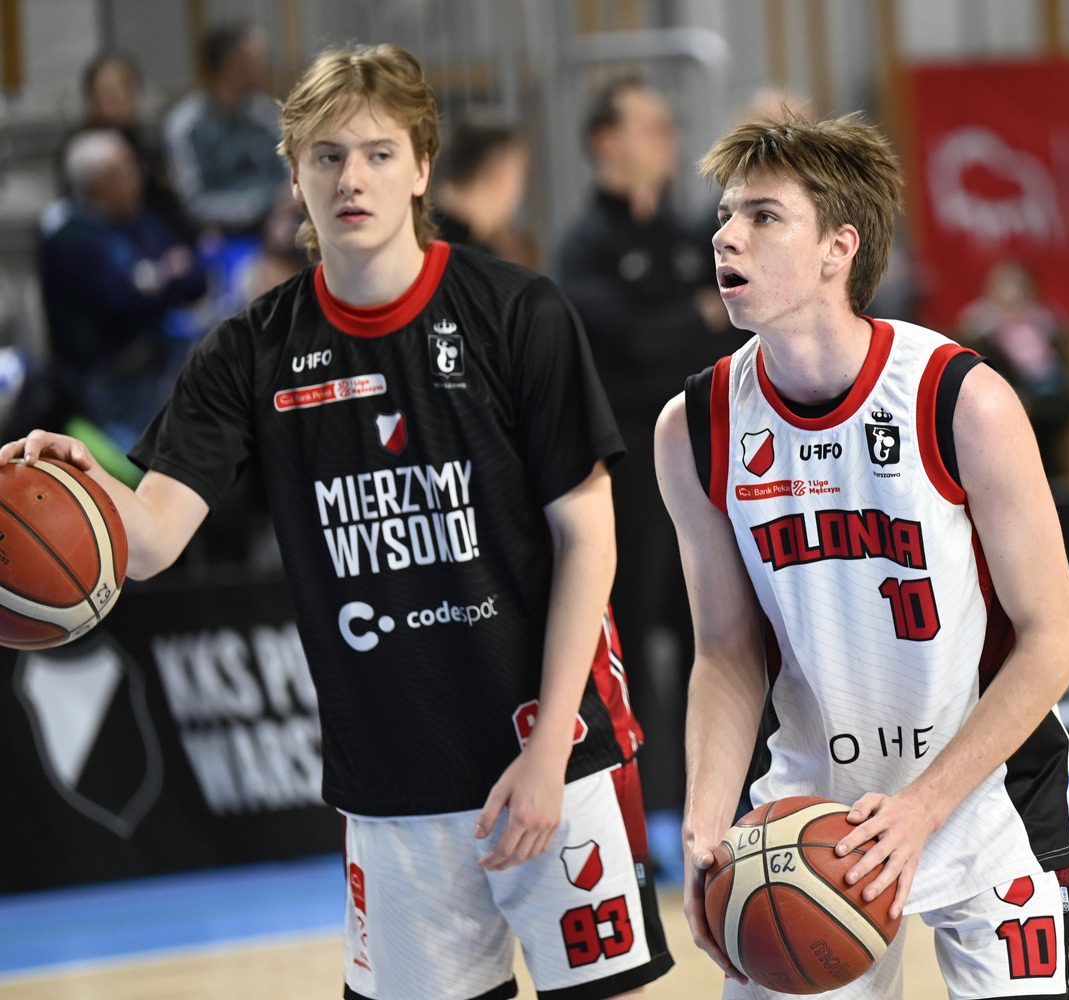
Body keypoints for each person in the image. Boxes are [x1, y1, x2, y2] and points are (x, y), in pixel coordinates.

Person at [7, 44, 670, 1000]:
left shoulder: (517, 312)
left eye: (377, 153)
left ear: (422, 168)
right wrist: (80, 488)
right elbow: (150, 541)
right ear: (293, 175)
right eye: (326, 156)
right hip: (391, 784)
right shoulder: (246, 352)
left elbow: (587, 537)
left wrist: (548, 751)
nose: (351, 178)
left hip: (552, 757)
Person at [658, 113, 1069, 998]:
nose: (725, 237)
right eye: (725, 216)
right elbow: (727, 650)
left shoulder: (959, 399)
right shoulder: (695, 427)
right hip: (807, 818)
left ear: (837, 248)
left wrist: (923, 807)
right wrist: (704, 826)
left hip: (980, 795)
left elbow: (1052, 638)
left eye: (763, 216)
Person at [556, 77, 742, 818]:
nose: (668, 137)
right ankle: (641, 816)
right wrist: (690, 319)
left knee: (723, 633)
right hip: (632, 470)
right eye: (649, 126)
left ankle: (733, 804)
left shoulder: (689, 237)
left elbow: (727, 329)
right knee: (632, 639)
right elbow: (627, 345)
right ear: (606, 141)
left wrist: (683, 325)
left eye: (670, 124)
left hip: (710, 455)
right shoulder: (584, 245)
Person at [41, 129, 207, 452]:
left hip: (161, 355)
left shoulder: (141, 222)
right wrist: (165, 274)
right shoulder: (69, 238)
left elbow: (195, 280)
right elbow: (121, 299)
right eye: (125, 170)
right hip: (109, 379)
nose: (139, 176)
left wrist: (153, 279)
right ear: (97, 184)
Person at [162, 23, 288, 235]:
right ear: (233, 64)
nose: (268, 65)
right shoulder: (186, 124)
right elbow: (194, 203)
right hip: (221, 234)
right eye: (260, 57)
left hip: (280, 225)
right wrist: (262, 207)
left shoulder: (265, 114)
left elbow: (289, 174)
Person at [61, 52, 195, 241]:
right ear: (90, 97)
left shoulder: (145, 145)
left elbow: (164, 202)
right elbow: (72, 207)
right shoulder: (77, 147)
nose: (116, 97)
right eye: (106, 91)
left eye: (123, 89)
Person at [957, 260, 1069, 477]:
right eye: (1003, 284)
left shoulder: (1046, 328)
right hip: (997, 423)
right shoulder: (978, 333)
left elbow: (1062, 384)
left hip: (1044, 417)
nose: (1011, 293)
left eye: (1017, 285)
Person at [432, 120, 535, 266]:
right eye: (519, 180)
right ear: (497, 176)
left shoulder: (419, 232)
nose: (519, 196)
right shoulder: (474, 260)